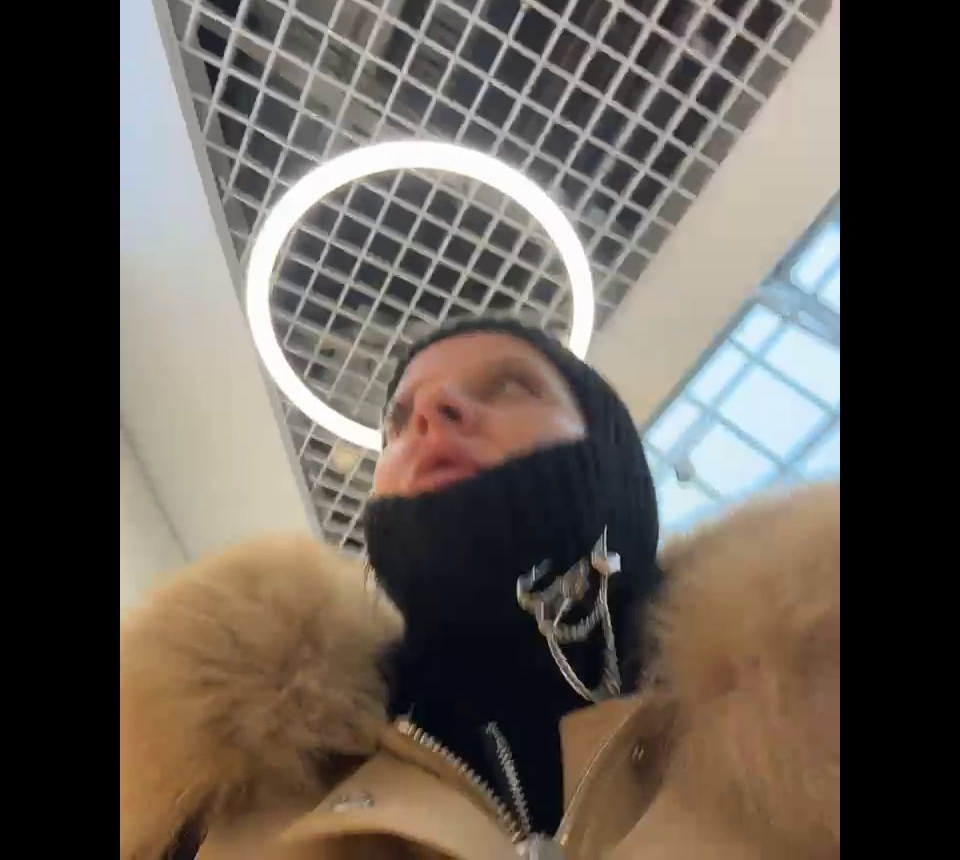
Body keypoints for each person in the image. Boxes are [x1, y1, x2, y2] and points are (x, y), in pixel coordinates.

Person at [120, 317, 840, 860]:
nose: (430, 412)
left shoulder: (812, 692)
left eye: (510, 386)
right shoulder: (217, 791)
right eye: (398, 422)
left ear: (610, 459)